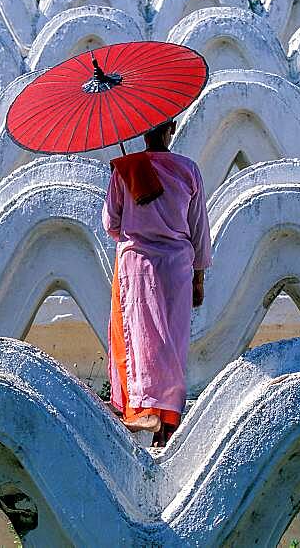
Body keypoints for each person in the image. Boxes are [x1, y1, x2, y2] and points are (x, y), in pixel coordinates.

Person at [102, 119, 211, 445]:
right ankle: (166, 423)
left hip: (138, 268)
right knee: (171, 344)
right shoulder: (187, 169)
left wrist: (128, 180)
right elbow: (199, 229)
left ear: (142, 132)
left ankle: (142, 412)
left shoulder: (127, 168)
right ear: (172, 128)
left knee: (141, 338)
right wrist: (199, 277)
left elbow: (111, 222)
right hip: (177, 268)